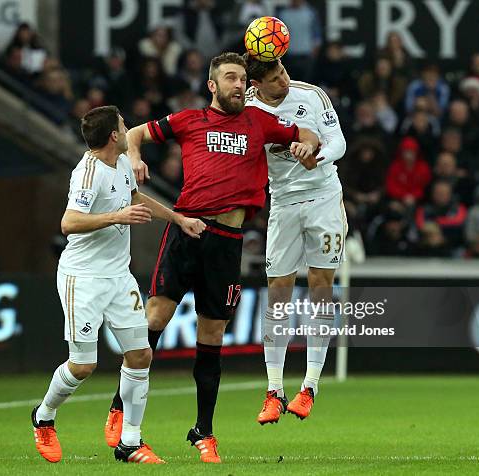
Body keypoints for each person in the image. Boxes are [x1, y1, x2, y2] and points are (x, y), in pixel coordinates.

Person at [104, 52, 320, 463]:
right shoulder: (189, 120)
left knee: (212, 337)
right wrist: (133, 156)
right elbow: (134, 133)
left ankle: (204, 431)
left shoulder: (260, 123)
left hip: (227, 242)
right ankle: (119, 407)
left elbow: (307, 133)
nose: (240, 85)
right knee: (153, 322)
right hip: (186, 232)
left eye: (243, 79)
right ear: (213, 86)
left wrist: (306, 146)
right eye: (231, 78)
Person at [31, 105, 205, 465]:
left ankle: (130, 443)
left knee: (141, 355)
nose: (129, 129)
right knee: (82, 366)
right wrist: (118, 216)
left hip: (118, 276)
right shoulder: (87, 172)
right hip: (83, 278)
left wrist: (178, 218)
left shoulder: (123, 164)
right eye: (124, 125)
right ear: (113, 135)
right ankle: (44, 416)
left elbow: (135, 198)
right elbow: (69, 222)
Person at [243, 55, 346, 424]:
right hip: (284, 204)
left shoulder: (312, 95)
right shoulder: (247, 111)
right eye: (274, 78)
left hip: (323, 198)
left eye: (283, 72)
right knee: (278, 292)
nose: (284, 81)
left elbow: (339, 142)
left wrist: (317, 156)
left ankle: (310, 386)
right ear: (257, 86)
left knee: (320, 287)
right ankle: (274, 391)